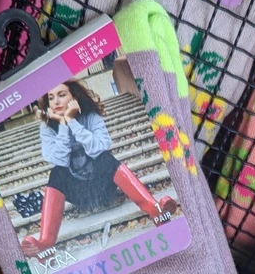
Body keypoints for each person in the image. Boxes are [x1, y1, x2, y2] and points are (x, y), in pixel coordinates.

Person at [22, 80, 176, 257]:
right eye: (51, 98)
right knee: (57, 173)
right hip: (78, 193)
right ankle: (45, 242)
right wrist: (63, 125)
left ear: (74, 97)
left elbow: (100, 147)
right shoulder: (47, 128)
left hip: (104, 186)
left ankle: (155, 210)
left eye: (61, 95)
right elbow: (58, 160)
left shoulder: (91, 117)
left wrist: (72, 121)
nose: (55, 101)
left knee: (105, 158)